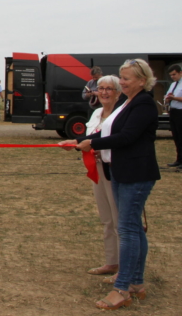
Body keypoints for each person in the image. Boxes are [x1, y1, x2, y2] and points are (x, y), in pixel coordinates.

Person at [60, 59, 160, 310]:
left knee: (126, 229)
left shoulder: (144, 104)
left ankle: (122, 288)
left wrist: (90, 144)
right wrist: (78, 140)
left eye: (125, 79)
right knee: (133, 228)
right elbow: (105, 132)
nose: (122, 82)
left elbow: (126, 137)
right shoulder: (128, 103)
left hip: (135, 174)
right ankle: (136, 283)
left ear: (141, 80)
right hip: (121, 171)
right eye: (122, 78)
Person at [76, 75, 123, 280]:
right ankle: (112, 262)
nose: (104, 92)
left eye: (109, 89)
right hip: (97, 169)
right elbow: (89, 138)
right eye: (101, 88)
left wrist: (92, 145)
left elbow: (115, 140)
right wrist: (75, 143)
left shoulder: (122, 114)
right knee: (106, 218)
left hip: (115, 170)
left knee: (119, 218)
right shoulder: (96, 113)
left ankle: (125, 267)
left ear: (118, 93)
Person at [164, 64, 182, 169]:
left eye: (174, 74)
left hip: (181, 111)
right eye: (171, 75)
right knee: (176, 136)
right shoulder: (173, 84)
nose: (172, 77)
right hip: (174, 112)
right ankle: (179, 159)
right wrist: (167, 98)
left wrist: (174, 98)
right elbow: (168, 96)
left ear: (180, 73)